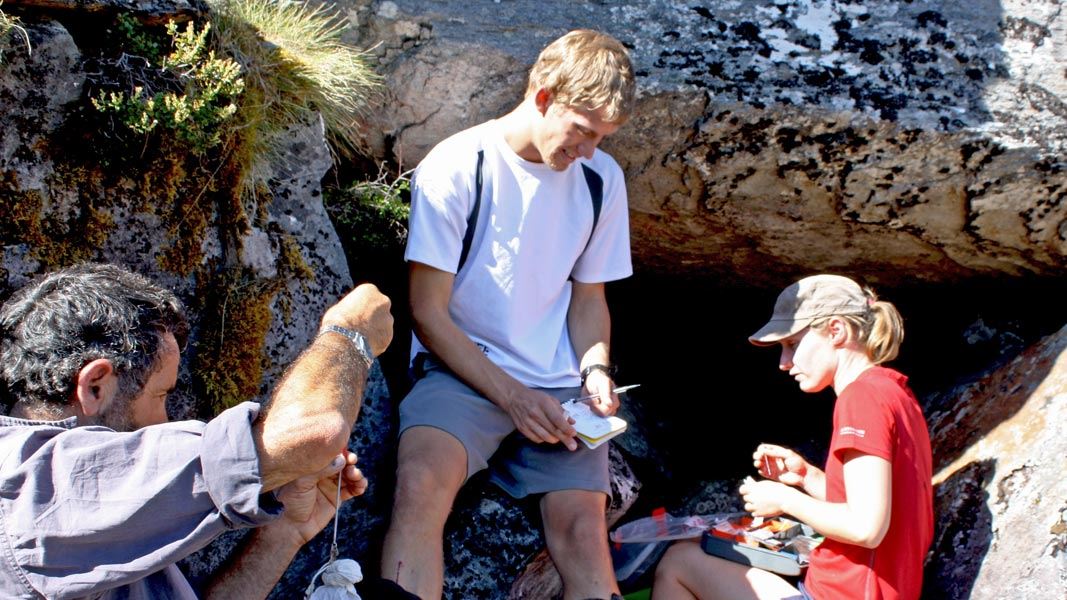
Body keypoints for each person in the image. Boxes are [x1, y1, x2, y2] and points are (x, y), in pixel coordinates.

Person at [379, 29, 637, 599]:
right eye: (583, 133)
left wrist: (596, 372)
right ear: (543, 95)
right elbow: (427, 313)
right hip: (463, 370)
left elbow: (589, 300)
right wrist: (512, 398)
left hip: (557, 391)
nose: (590, 151)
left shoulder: (601, 180)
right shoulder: (457, 165)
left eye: (602, 138)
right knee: (421, 485)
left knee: (583, 533)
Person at [0, 262, 393, 599]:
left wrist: (286, 529)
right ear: (95, 386)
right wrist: (350, 332)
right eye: (160, 395)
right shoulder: (48, 487)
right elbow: (313, 433)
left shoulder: (82, 510)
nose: (166, 423)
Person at [652, 274, 933, 600]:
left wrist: (785, 500)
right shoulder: (894, 391)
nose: (784, 363)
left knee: (678, 564)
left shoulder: (861, 398)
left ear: (836, 331)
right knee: (688, 556)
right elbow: (878, 503)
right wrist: (806, 476)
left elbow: (866, 528)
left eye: (793, 345)